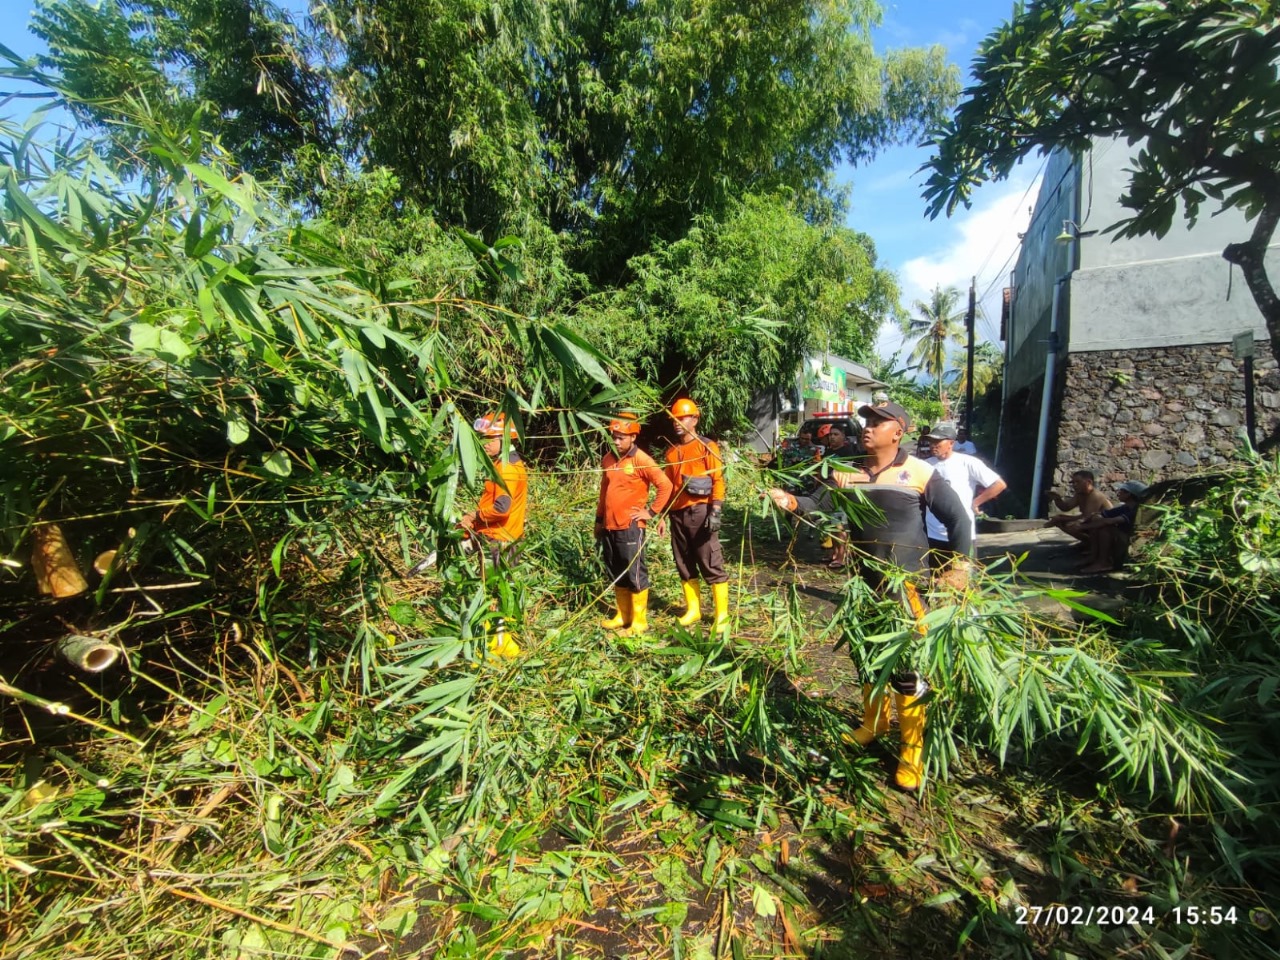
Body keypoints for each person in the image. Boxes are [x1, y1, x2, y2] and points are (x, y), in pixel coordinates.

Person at [766, 402, 972, 791]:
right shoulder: (847, 472)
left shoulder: (920, 472)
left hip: (905, 587)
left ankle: (912, 748)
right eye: (867, 421)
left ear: (898, 432)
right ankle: (873, 723)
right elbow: (815, 505)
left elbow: (958, 519)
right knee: (867, 658)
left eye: (878, 422)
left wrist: (960, 567)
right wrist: (790, 501)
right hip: (864, 584)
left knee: (908, 670)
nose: (868, 427)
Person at [595, 413, 674, 636]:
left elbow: (665, 485)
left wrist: (650, 512)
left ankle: (639, 622)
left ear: (633, 437)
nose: (617, 441)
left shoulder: (642, 459)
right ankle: (623, 615)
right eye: (614, 437)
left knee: (635, 572)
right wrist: (599, 520)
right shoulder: (608, 459)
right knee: (617, 571)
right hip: (610, 525)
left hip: (630, 526)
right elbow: (604, 492)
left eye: (621, 438)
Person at [665, 398, 731, 632]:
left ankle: (721, 615)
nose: (678, 423)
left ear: (694, 419)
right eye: (674, 418)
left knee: (709, 561)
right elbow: (669, 487)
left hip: (700, 511)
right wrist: (663, 514)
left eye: (683, 418)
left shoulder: (706, 446)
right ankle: (693, 610)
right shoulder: (671, 452)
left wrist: (716, 510)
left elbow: (718, 480)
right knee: (683, 562)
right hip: (677, 514)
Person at [922, 422, 1007, 561]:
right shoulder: (926, 465)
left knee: (962, 579)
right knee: (932, 580)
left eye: (937, 441)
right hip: (932, 535)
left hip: (962, 534)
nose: (932, 445)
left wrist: (975, 503)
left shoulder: (967, 462)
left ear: (951, 443)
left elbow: (998, 484)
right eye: (931, 441)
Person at [460, 413, 528, 565]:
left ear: (504, 439)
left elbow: (502, 508)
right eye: (484, 439)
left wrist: (473, 516)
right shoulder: (505, 464)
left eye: (490, 439)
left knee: (492, 587)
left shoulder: (507, 468)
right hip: (498, 536)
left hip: (500, 541)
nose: (485, 444)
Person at [1079, 480, 1149, 574]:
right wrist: (1094, 519)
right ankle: (1094, 557)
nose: (1118, 493)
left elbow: (1111, 521)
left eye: (1122, 491)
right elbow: (1101, 514)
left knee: (1105, 529)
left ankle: (1104, 562)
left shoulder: (1137, 510)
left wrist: (1082, 527)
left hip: (1131, 541)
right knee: (1098, 523)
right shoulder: (1125, 507)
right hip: (1122, 536)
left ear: (1129, 494)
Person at [1044, 470, 1112, 542]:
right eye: (1073, 482)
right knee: (1061, 522)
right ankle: (1086, 542)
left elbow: (1086, 517)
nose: (1074, 485)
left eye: (1078, 482)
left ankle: (1090, 544)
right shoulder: (1080, 494)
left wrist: (1060, 517)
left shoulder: (1096, 495)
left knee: (1072, 525)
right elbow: (1066, 507)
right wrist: (1057, 499)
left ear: (1089, 482)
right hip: (1090, 522)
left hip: (1103, 527)